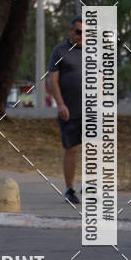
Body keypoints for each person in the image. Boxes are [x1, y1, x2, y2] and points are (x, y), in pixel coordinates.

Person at [48, 16, 83, 204]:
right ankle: (70, 189)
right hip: (69, 109)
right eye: (78, 32)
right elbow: (53, 80)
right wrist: (60, 104)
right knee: (71, 148)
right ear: (71, 31)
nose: (82, 36)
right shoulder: (59, 51)